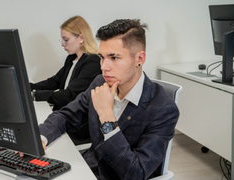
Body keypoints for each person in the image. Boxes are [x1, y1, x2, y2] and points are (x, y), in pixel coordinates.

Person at [38, 19, 180, 180]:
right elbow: (66, 115)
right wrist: (40, 138)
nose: (104, 67)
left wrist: (106, 116)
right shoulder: (100, 83)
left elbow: (135, 174)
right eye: (102, 57)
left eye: (114, 58)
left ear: (139, 59)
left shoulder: (163, 109)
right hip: (87, 168)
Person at [30, 15, 101, 111]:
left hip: (75, 118)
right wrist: (27, 87)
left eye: (66, 40)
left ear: (81, 38)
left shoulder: (93, 62)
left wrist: (35, 95)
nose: (62, 44)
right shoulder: (72, 59)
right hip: (63, 113)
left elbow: (70, 95)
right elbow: (54, 82)